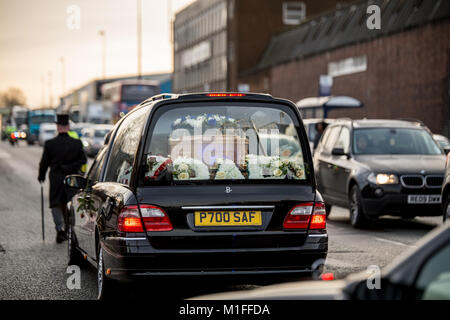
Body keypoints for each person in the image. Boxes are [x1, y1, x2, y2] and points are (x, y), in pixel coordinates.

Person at [38, 114, 87, 243]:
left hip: (56, 178)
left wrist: (41, 176)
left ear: (58, 127)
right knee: (70, 202)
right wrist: (70, 166)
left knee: (55, 203)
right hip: (72, 178)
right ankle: (70, 229)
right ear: (68, 127)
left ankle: (60, 230)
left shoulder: (50, 144)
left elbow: (44, 162)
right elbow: (83, 160)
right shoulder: (77, 143)